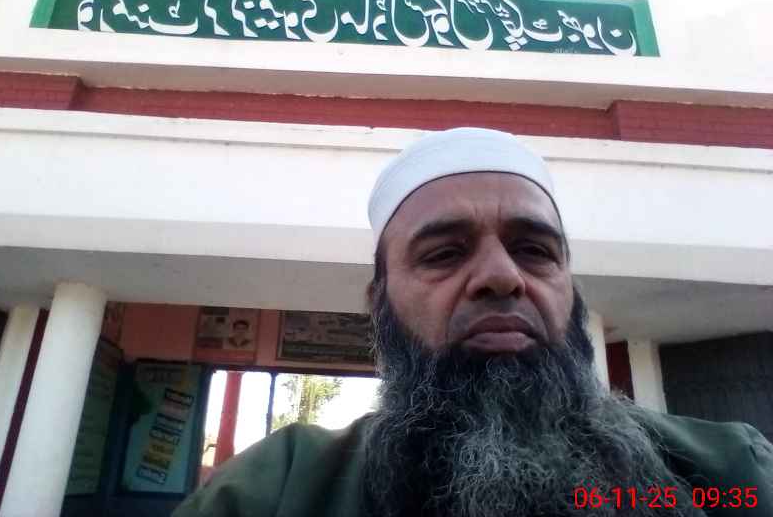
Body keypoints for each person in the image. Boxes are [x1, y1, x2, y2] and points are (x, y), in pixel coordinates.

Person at [173, 128, 772, 516]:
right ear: (380, 302)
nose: (502, 277)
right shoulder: (278, 492)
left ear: (570, 288)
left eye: (534, 250)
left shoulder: (730, 473)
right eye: (444, 253)